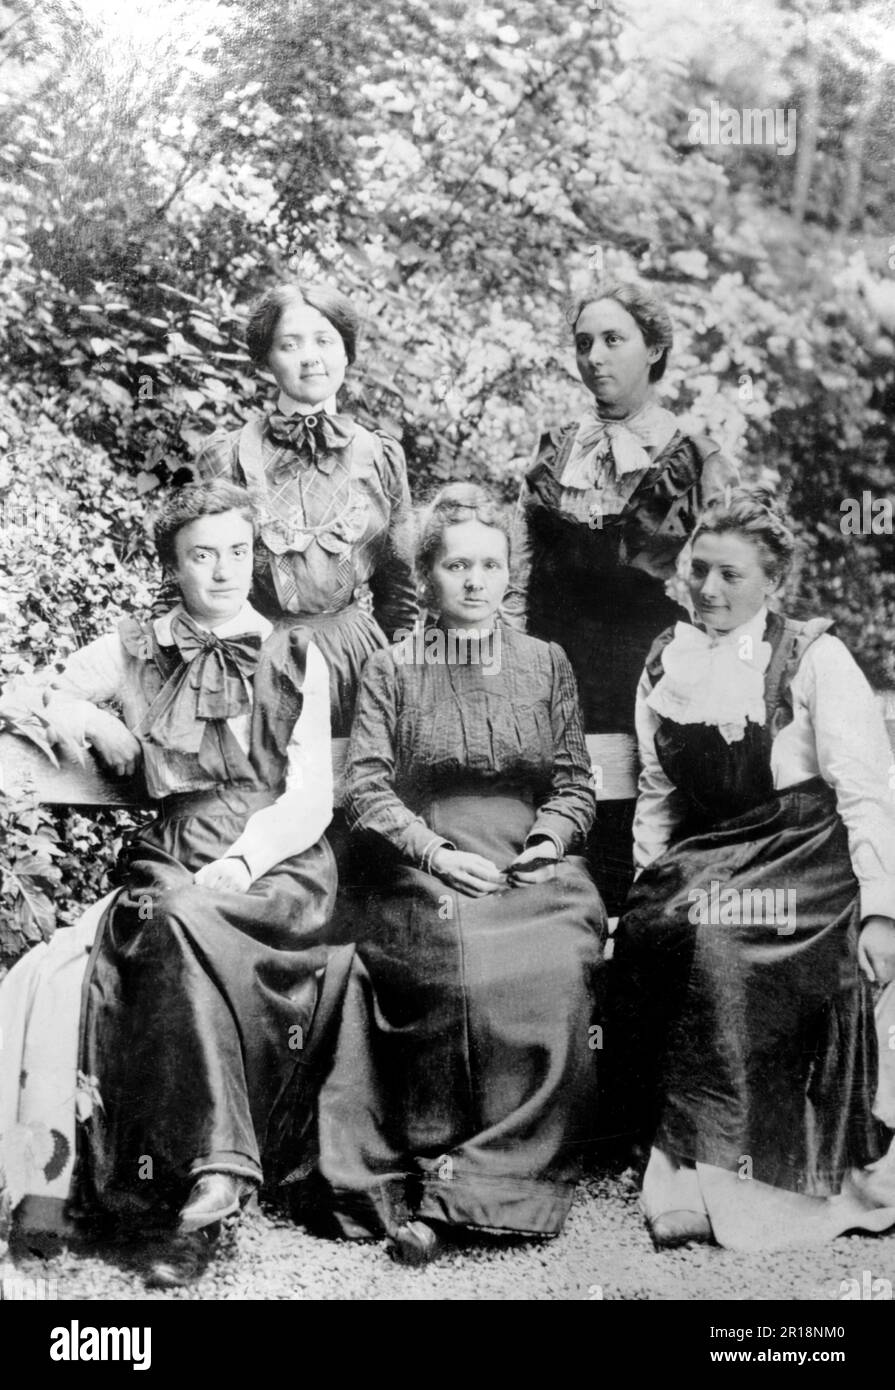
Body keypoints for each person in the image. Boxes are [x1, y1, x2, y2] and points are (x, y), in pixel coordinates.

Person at [0, 481, 345, 1285]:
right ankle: (210, 1185)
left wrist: (244, 859)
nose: (223, 571)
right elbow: (21, 691)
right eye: (201, 556)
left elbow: (311, 797)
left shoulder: (295, 651)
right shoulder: (134, 648)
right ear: (173, 566)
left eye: (237, 552)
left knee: (179, 921)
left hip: (276, 869)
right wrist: (88, 719)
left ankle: (209, 1179)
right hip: (174, 854)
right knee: (162, 922)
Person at [307, 483, 607, 1264]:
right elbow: (364, 786)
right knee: (462, 972)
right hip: (422, 862)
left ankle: (486, 1182)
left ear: (510, 572)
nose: (474, 581)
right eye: (455, 566)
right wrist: (435, 854)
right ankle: (449, 1173)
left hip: (531, 861)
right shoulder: (392, 666)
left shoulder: (546, 662)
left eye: (489, 565)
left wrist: (548, 839)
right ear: (425, 575)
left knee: (553, 968)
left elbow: (574, 781)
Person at [606, 487, 895, 1251]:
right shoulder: (666, 659)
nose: (708, 589)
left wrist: (880, 912)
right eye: (698, 569)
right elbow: (659, 792)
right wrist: (646, 878)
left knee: (718, 946)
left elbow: (865, 791)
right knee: (652, 929)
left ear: (773, 581)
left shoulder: (812, 656)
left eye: (731, 575)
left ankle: (718, 1187)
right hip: (712, 852)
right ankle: (665, 1153)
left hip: (806, 855)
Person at [503, 280, 738, 914]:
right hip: (549, 666)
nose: (596, 357)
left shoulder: (694, 459)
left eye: (614, 340)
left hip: (645, 672)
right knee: (550, 822)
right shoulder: (555, 452)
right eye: (584, 344)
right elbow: (518, 575)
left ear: (655, 348)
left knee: (636, 832)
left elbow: (721, 589)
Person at [193, 280, 418, 736]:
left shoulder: (381, 455)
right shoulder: (229, 454)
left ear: (346, 353)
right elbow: (190, 581)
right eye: (289, 344)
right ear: (266, 359)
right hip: (258, 661)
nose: (310, 356)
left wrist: (400, 682)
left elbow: (402, 591)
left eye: (324, 341)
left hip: (361, 664)